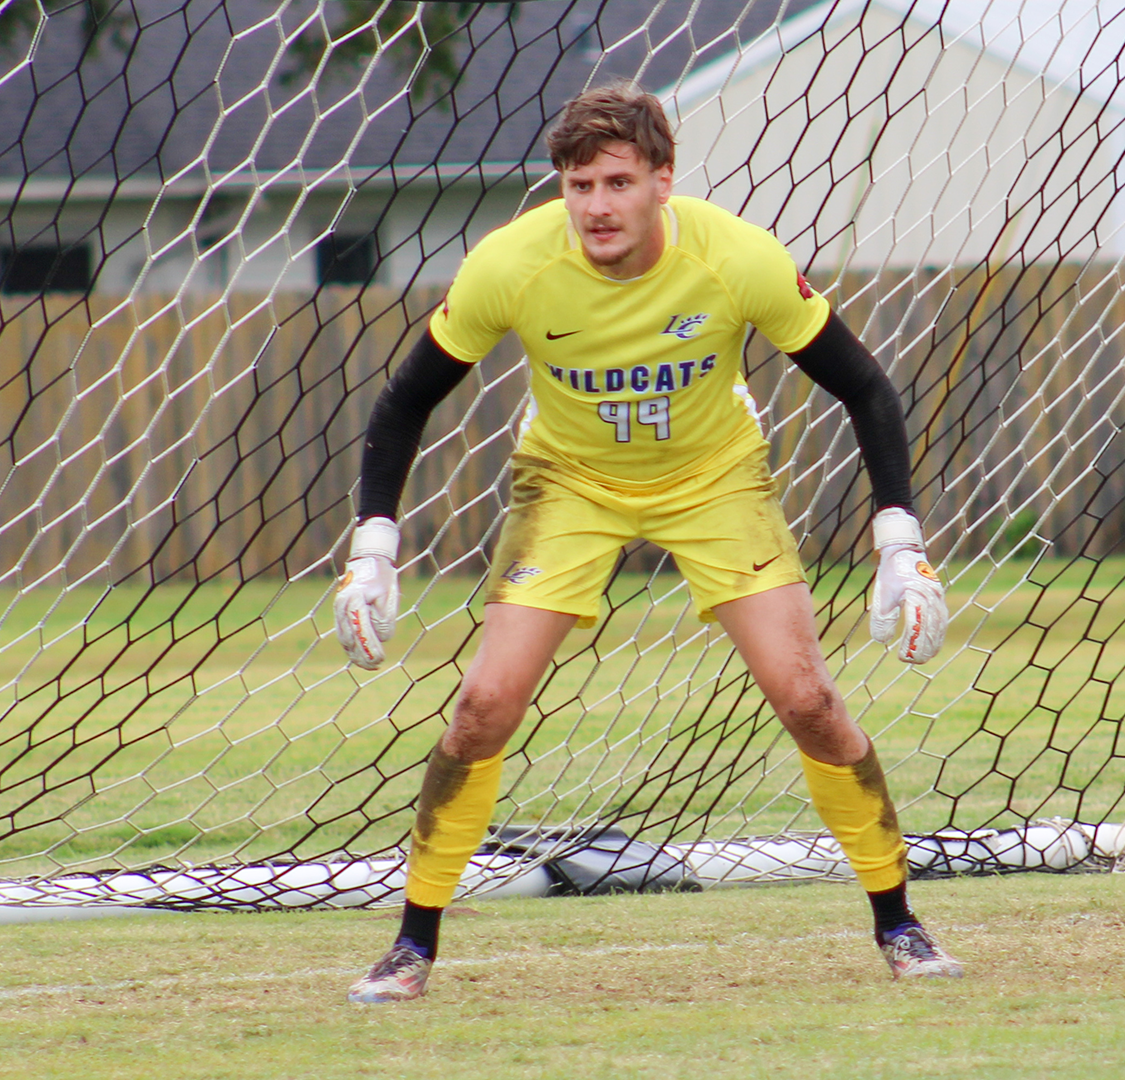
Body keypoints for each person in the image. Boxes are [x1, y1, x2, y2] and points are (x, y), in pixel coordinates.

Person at [333, 84, 954, 1005]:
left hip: (716, 482)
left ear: (664, 180)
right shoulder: (511, 265)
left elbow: (865, 388)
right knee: (481, 708)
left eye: (617, 181)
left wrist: (900, 543)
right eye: (578, 184)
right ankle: (413, 946)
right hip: (569, 486)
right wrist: (373, 548)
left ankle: (900, 925)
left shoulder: (737, 257)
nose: (596, 205)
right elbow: (404, 399)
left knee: (811, 699)